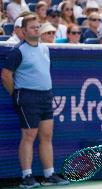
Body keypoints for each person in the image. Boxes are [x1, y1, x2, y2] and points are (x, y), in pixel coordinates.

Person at [1, 14, 69, 188]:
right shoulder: (18, 51)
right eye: (32, 27)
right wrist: (17, 94)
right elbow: (6, 75)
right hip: (27, 97)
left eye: (38, 27)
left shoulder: (45, 49)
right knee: (29, 136)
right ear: (23, 31)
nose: (36, 29)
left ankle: (48, 174)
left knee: (46, 136)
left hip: (45, 96)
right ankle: (27, 176)